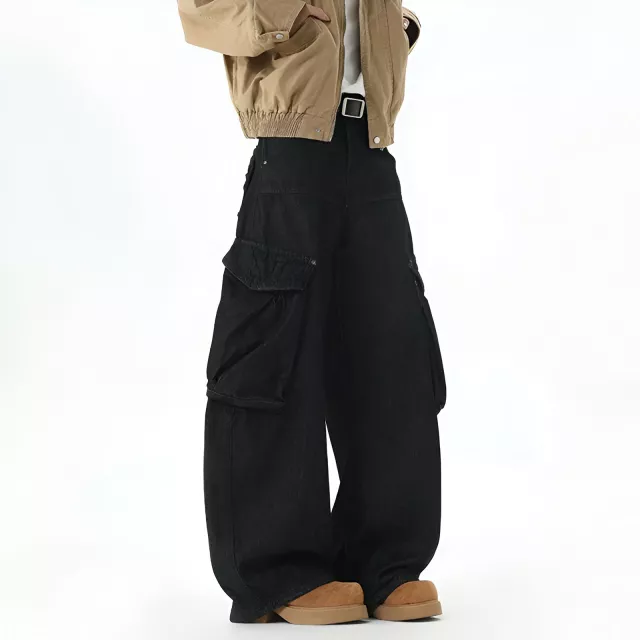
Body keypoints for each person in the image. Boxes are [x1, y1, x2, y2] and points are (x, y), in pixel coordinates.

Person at [177, 0, 447, 625]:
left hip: (372, 150)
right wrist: (289, 13)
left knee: (393, 351)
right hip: (290, 155)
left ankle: (385, 561)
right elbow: (200, 11)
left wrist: (396, 33)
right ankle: (278, 572)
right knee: (274, 358)